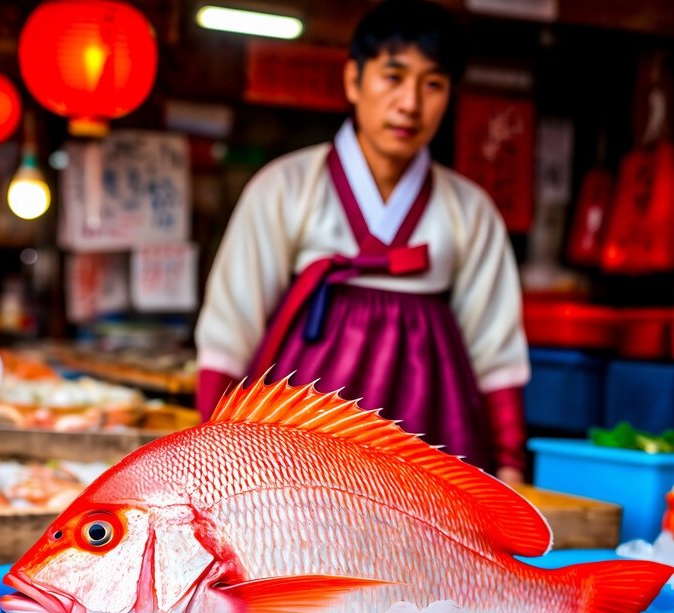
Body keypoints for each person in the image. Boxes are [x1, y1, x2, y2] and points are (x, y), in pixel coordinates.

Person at [194, 0, 529, 484]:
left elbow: (495, 348)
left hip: (431, 432)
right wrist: (212, 452)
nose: (410, 103)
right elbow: (231, 328)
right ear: (354, 80)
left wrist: (510, 463)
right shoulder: (285, 187)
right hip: (306, 428)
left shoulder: (470, 209)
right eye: (393, 77)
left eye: (432, 84)